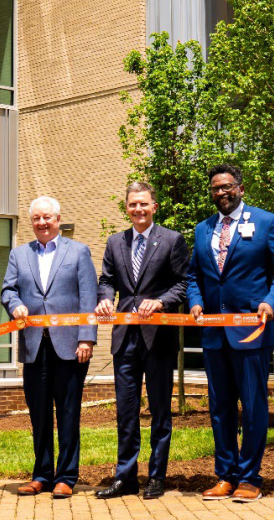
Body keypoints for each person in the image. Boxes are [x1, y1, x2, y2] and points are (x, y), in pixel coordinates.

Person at [187, 164, 274, 503]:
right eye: (215, 188)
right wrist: (195, 303)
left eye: (227, 186)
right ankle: (225, 475)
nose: (221, 192)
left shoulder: (266, 222)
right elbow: (194, 277)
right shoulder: (202, 229)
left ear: (241, 188)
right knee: (219, 408)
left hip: (252, 332)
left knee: (251, 406)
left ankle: (250, 477)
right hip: (214, 335)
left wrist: (271, 303)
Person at [95, 182, 189, 500]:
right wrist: (106, 299)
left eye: (143, 204)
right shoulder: (115, 242)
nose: (138, 209)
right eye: (132, 205)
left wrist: (161, 301)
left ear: (154, 207)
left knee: (160, 411)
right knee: (126, 411)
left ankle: (156, 478)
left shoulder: (172, 240)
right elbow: (106, 280)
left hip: (158, 338)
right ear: (127, 208)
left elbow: (182, 285)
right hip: (124, 339)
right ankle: (126, 477)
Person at [1, 196, 98, 499]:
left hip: (70, 346)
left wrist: (87, 337)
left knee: (68, 412)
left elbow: (88, 297)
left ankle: (66, 476)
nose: (42, 223)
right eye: (36, 219)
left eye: (47, 218)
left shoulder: (79, 252)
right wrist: (14, 305)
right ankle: (42, 474)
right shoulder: (19, 254)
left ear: (57, 219)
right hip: (33, 346)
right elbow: (8, 290)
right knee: (39, 414)